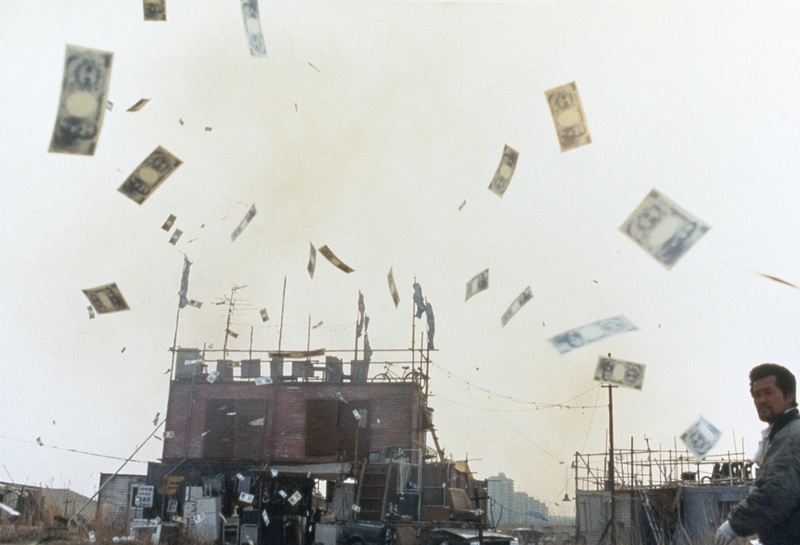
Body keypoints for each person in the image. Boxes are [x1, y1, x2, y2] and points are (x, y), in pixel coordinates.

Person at [716, 363, 800, 545]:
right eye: (756, 395)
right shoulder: (780, 433)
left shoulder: (791, 435)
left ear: (789, 395)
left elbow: (776, 492)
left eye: (768, 393)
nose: (761, 400)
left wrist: (735, 524)